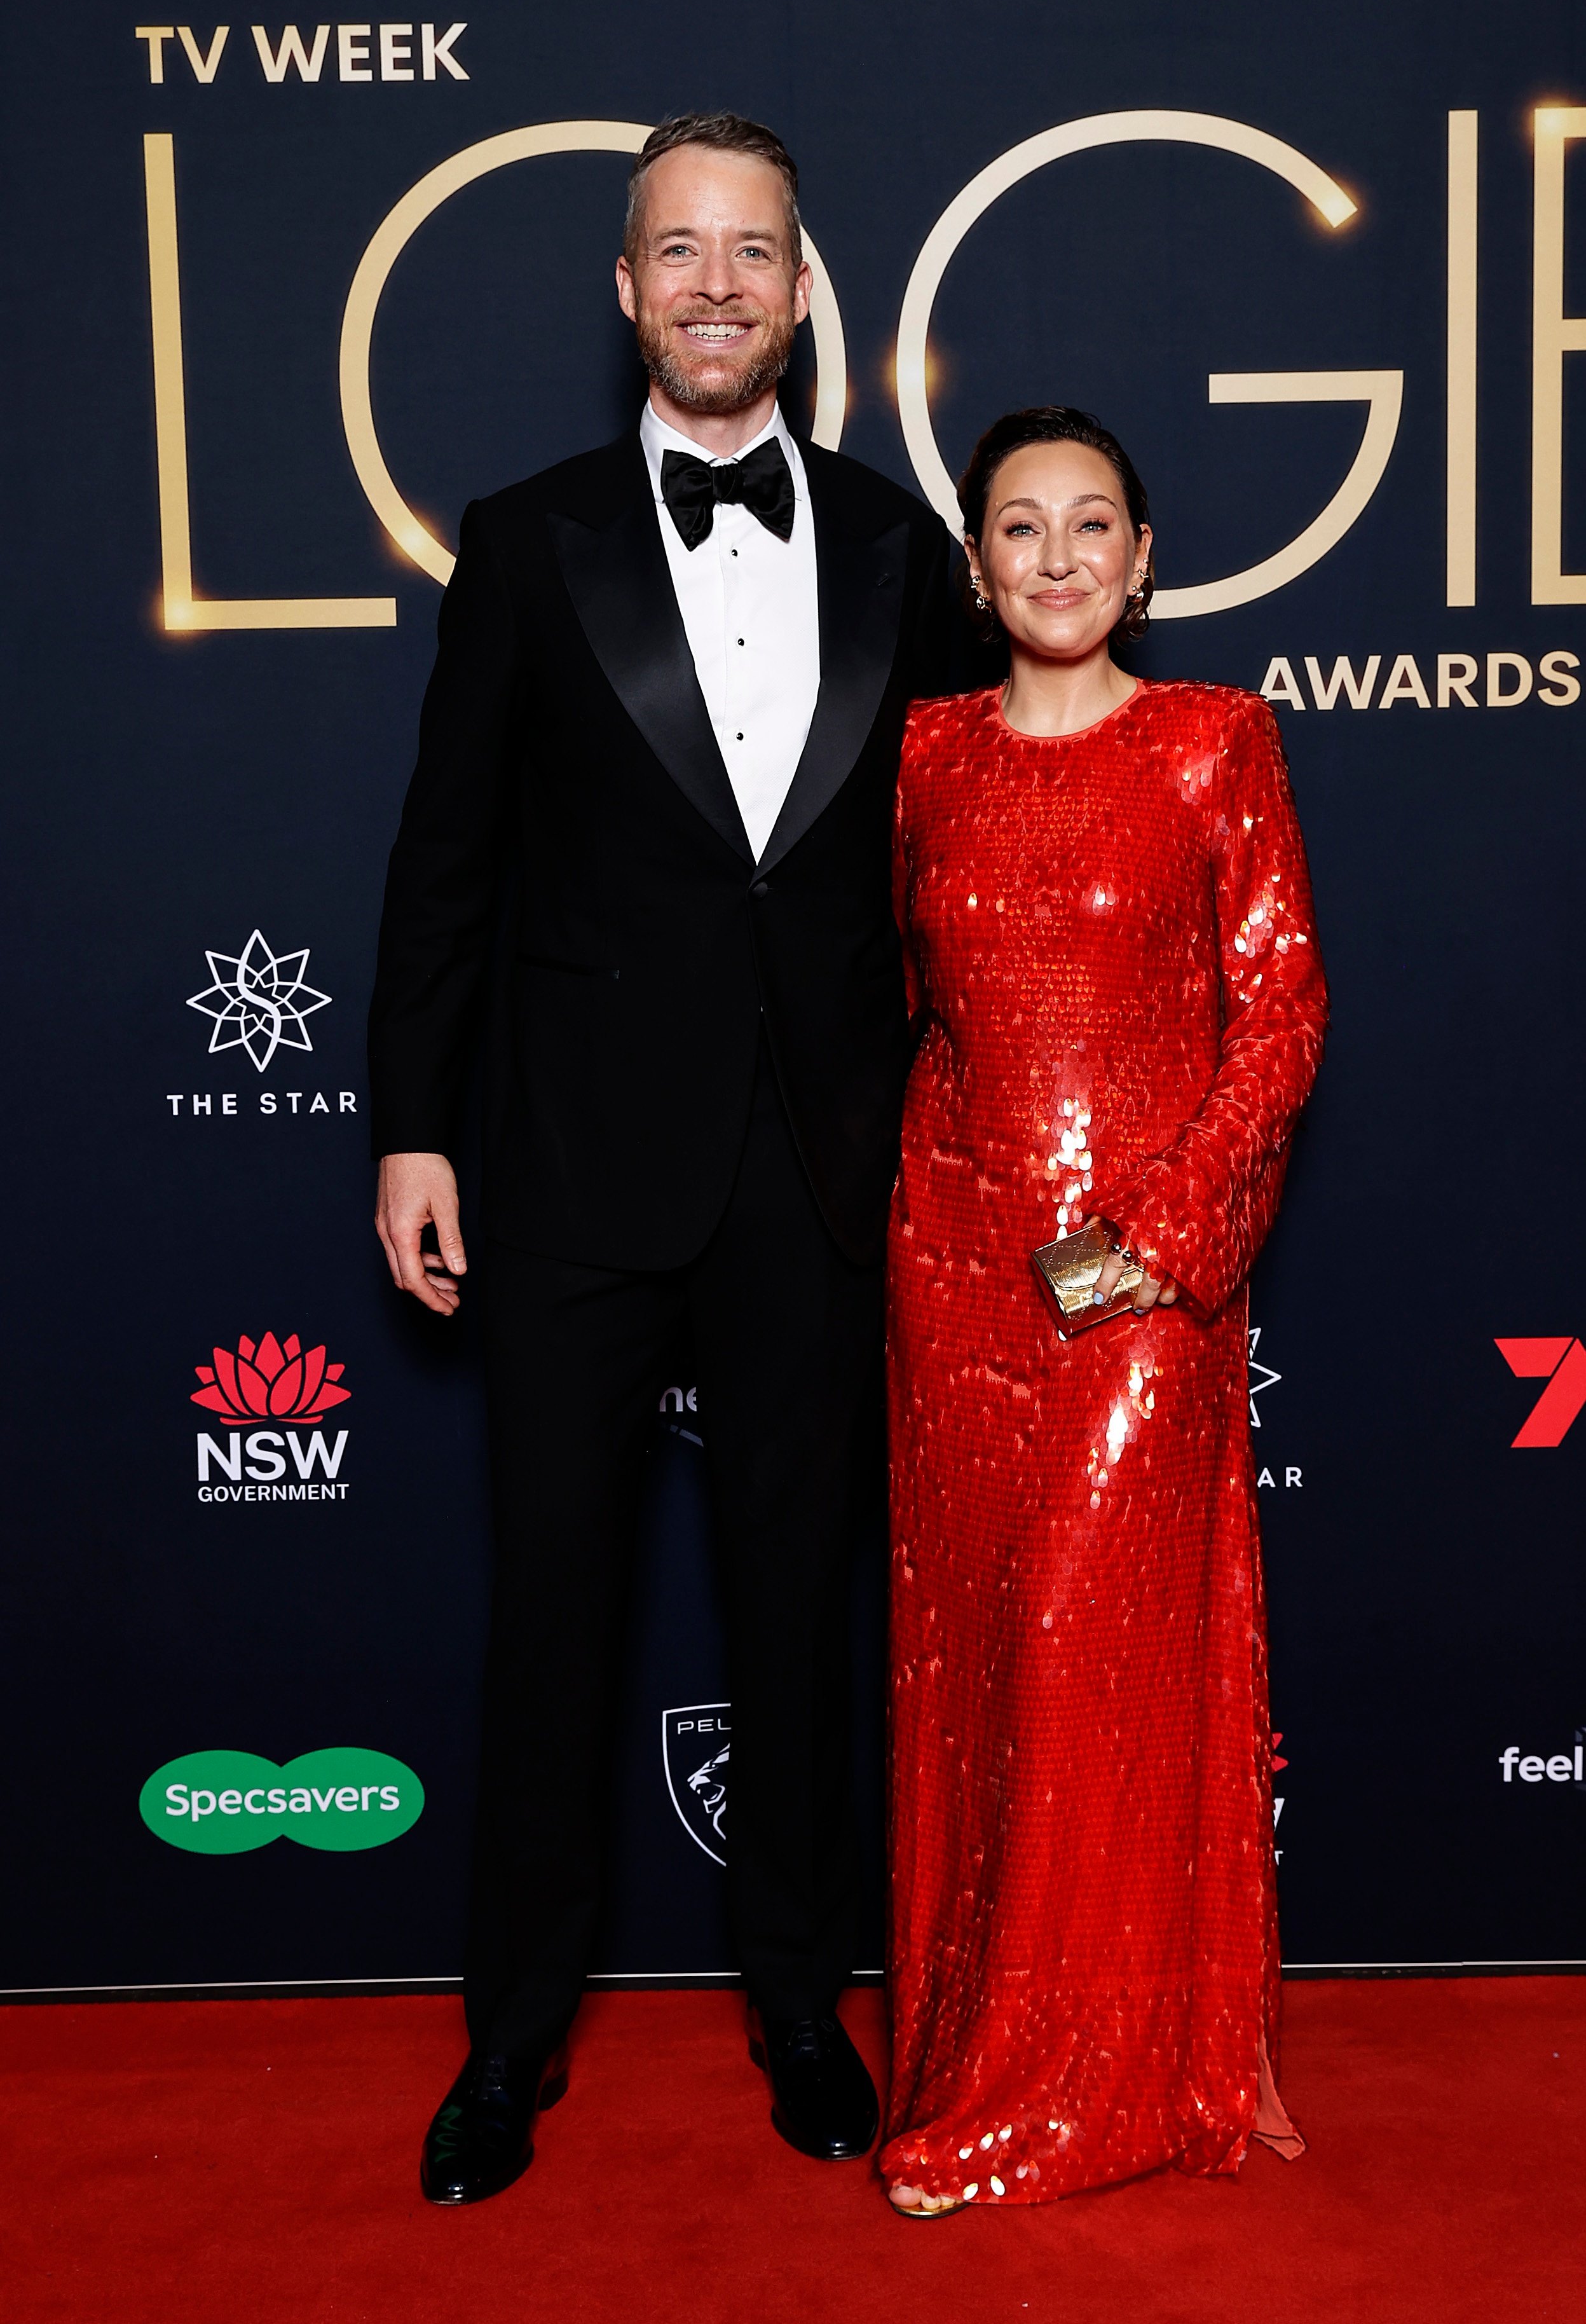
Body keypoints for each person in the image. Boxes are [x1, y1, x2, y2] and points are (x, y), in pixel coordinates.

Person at [367, 112, 957, 2205]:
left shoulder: (911, 550)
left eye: (756, 250)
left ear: (807, 288)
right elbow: (446, 865)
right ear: (626, 288)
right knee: (555, 1610)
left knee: (802, 1609)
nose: (718, 285)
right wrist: (414, 1125)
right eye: (678, 251)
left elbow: (973, 867)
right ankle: (509, 2044)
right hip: (564, 1170)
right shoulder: (520, 541)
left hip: (825, 1162)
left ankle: (800, 2001)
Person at [881, 407, 1327, 2214]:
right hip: (953, 1279)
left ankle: (1073, 2090)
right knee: (979, 1665)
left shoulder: (1219, 746)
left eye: (1091, 528)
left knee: (1089, 1660)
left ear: (1144, 560)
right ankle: (972, 2037)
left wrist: (1158, 1227)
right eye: (1019, 528)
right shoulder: (919, 757)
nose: (1056, 559)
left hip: (1140, 1287)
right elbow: (901, 1016)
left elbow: (1280, 1014)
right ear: (975, 566)